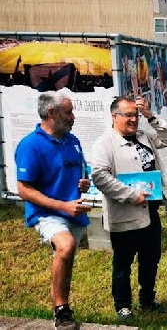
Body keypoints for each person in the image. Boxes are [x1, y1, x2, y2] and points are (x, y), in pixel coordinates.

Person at [91, 96, 167, 321]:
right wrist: (131, 195)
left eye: (135, 115)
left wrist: (150, 116)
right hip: (125, 215)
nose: (133, 120)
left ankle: (147, 299)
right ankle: (123, 306)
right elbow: (100, 177)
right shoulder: (105, 144)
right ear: (114, 117)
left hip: (150, 212)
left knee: (151, 259)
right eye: (128, 115)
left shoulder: (144, 136)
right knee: (123, 263)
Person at [15, 91, 92, 330]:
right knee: (65, 246)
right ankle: (61, 311)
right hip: (47, 213)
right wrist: (62, 206)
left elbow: (82, 170)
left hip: (74, 213)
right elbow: (24, 190)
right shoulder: (31, 145)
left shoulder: (73, 140)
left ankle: (61, 309)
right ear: (52, 113)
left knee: (66, 259)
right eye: (68, 112)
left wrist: (85, 181)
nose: (73, 117)